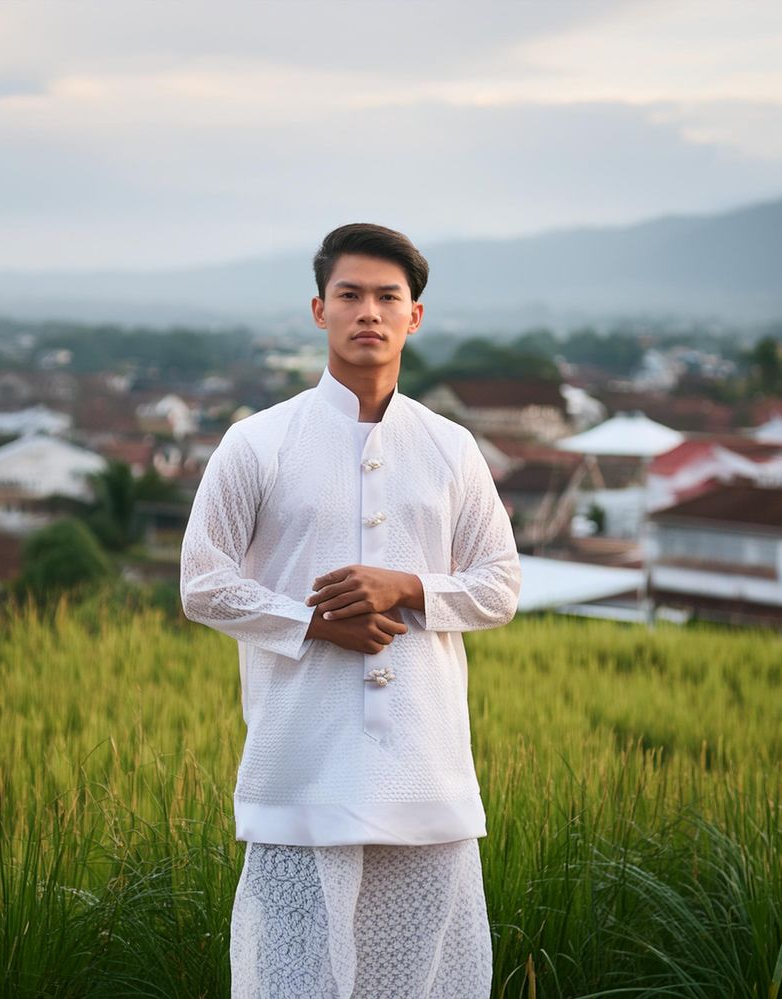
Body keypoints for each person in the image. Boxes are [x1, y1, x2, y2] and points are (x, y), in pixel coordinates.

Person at [180, 223, 521, 998]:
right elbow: (202, 581)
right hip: (300, 759)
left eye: (387, 297)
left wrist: (406, 586)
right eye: (350, 295)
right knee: (288, 978)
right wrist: (313, 622)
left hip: (425, 766)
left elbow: (499, 585)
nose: (368, 311)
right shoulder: (257, 442)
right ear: (318, 310)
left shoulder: (451, 447)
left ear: (414, 317)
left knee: (427, 978)